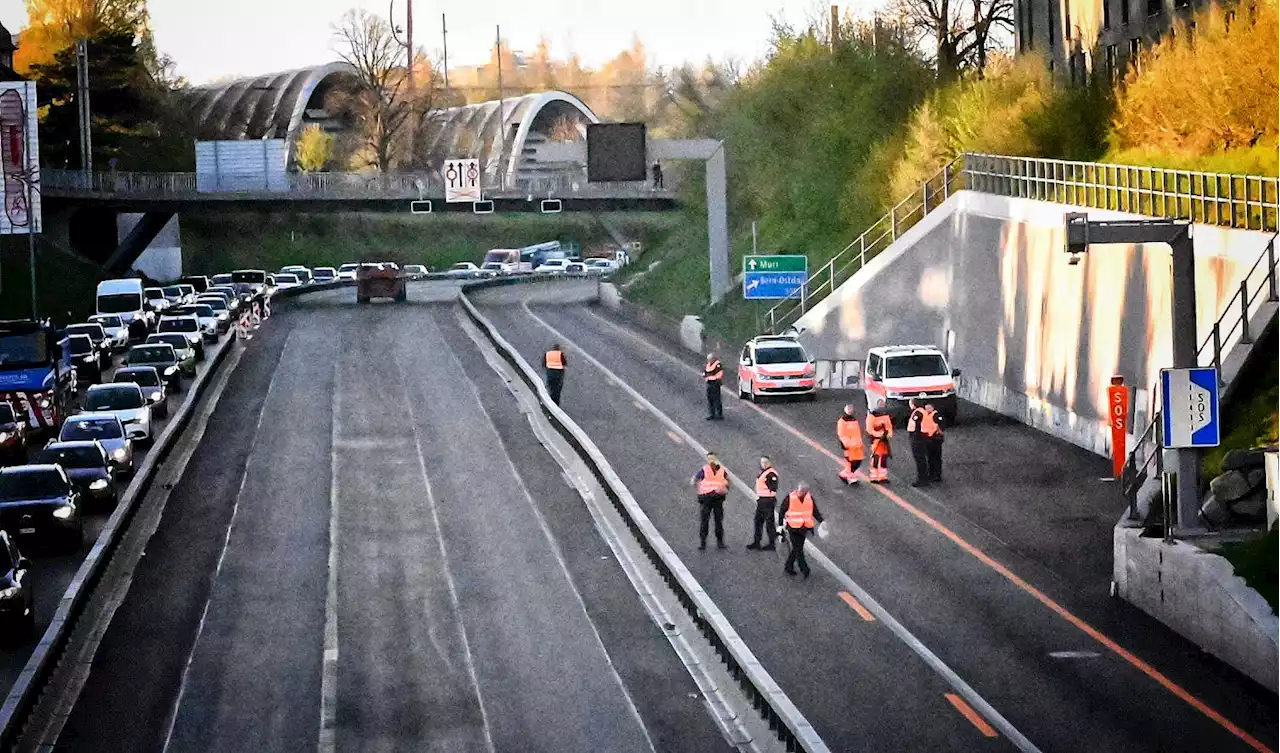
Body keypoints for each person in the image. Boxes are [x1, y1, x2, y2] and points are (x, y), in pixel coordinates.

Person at [777, 481, 824, 578]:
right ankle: (805, 569)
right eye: (800, 491)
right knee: (798, 550)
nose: (800, 492)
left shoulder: (809, 498)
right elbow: (782, 511)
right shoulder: (790, 498)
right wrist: (780, 525)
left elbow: (814, 511)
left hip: (804, 529)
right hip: (793, 529)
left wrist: (821, 521)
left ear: (806, 492)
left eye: (803, 491)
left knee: (796, 549)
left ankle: (788, 566)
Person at [691, 452, 729, 550]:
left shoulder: (722, 470)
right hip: (706, 499)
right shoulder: (705, 470)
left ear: (716, 459)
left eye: (713, 458)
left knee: (718, 521)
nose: (711, 460)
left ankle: (720, 542)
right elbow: (695, 479)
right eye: (709, 459)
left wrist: (725, 490)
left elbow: (728, 481)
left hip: (718, 499)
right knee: (704, 521)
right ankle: (703, 543)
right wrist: (699, 490)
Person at [746, 456, 779, 551]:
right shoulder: (762, 472)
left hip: (768, 501)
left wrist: (769, 496)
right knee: (758, 521)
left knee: (769, 523)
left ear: (769, 463)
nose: (763, 464)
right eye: (762, 462)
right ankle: (757, 542)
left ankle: (772, 544)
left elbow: (773, 488)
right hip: (761, 500)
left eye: (765, 462)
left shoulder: (771, 474)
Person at [836, 404, 865, 484]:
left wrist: (860, 443)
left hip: (857, 445)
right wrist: (846, 444)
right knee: (851, 462)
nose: (850, 411)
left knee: (858, 460)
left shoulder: (854, 420)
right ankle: (849, 475)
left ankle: (845, 474)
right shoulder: (842, 421)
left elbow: (858, 433)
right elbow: (841, 434)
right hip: (849, 446)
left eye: (851, 409)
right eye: (848, 409)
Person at [865, 406, 894, 483]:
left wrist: (888, 434)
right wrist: (880, 434)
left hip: (884, 441)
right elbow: (870, 430)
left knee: (884, 458)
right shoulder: (871, 417)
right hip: (876, 441)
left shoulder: (885, 416)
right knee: (876, 458)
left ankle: (882, 476)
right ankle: (873, 477)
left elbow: (889, 427)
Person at [906, 398, 931, 487]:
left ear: (913, 404)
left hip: (918, 438)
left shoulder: (918, 413)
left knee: (919, 459)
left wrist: (915, 437)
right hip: (922, 437)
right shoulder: (921, 411)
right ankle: (925, 478)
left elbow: (917, 426)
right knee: (922, 458)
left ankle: (922, 479)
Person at [923, 402, 945, 483]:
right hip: (928, 439)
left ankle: (937, 475)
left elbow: (941, 427)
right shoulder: (926, 415)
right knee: (930, 458)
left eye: (928, 408)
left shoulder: (937, 415)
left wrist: (937, 433)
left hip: (936, 439)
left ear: (932, 408)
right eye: (926, 408)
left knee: (936, 458)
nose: (927, 410)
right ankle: (931, 474)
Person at [704, 353, 724, 420]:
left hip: (715, 383)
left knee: (717, 399)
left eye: (709, 359)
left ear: (713, 359)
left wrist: (711, 377)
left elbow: (719, 375)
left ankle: (719, 414)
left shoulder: (718, 365)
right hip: (709, 384)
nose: (708, 361)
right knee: (710, 399)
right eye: (708, 360)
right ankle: (712, 414)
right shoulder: (708, 365)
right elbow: (706, 372)